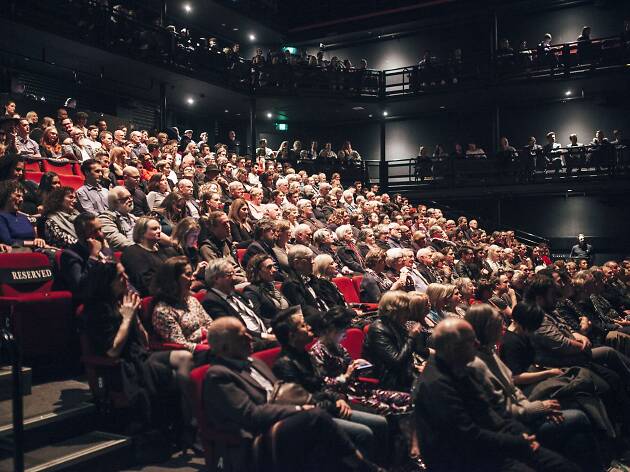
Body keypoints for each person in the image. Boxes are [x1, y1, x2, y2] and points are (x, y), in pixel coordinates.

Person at [202, 317, 383, 471]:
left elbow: (283, 390)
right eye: (242, 336)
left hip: (286, 417)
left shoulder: (254, 362)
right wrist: (298, 408)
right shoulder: (218, 374)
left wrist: (313, 403)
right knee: (317, 416)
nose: (250, 338)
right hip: (259, 433)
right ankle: (364, 466)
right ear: (225, 348)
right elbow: (251, 414)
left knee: (323, 422)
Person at [413, 318, 578, 472]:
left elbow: (492, 410)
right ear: (452, 348)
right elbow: (466, 436)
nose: (477, 344)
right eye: (471, 340)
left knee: (564, 465)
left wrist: (522, 434)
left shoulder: (460, 366)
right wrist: (518, 442)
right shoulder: (435, 385)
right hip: (463, 460)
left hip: (491, 444)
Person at [465, 304, 602, 470]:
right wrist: (539, 408)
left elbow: (513, 389)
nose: (503, 327)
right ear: (485, 329)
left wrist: (536, 407)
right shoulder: (476, 364)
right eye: (497, 324)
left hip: (525, 410)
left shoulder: (490, 352)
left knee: (576, 432)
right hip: (514, 428)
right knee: (578, 416)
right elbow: (501, 409)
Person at [83, 262, 193, 435]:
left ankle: (190, 422)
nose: (126, 278)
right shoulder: (96, 310)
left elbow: (145, 342)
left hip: (141, 355)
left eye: (125, 273)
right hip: (120, 365)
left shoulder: (124, 302)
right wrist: (127, 319)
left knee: (185, 358)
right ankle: (184, 428)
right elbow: (113, 351)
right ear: (107, 283)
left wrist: (135, 317)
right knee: (173, 377)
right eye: (120, 276)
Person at [272, 306, 389, 463]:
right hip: (316, 416)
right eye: (302, 325)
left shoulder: (304, 354)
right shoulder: (285, 364)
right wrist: (335, 403)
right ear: (291, 336)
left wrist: (337, 398)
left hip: (331, 403)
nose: (309, 327)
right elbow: (306, 400)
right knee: (364, 432)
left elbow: (322, 383)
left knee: (381, 421)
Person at [310, 306, 412, 415]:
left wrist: (359, 365)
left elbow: (350, 365)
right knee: (393, 409)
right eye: (343, 330)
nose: (345, 334)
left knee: (407, 399)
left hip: (358, 389)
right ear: (331, 330)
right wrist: (345, 376)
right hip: (344, 396)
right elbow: (322, 385)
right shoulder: (317, 352)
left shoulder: (338, 347)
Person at [201, 258, 277, 350]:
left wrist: (271, 327)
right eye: (229, 274)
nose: (234, 278)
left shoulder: (235, 293)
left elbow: (257, 316)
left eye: (234, 273)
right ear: (216, 279)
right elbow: (234, 331)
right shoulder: (211, 302)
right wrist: (264, 336)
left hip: (264, 334)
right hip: (248, 342)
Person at [150, 256, 212, 357]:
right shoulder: (163, 311)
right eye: (188, 275)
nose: (192, 278)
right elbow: (180, 345)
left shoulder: (191, 300)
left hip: (210, 344)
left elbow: (210, 324)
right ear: (173, 279)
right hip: (195, 355)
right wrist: (210, 348)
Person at [362, 291, 425, 390]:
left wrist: (416, 367)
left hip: (404, 376)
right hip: (389, 383)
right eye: (405, 310)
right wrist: (411, 337)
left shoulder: (397, 325)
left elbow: (409, 354)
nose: (409, 314)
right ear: (394, 310)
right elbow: (396, 361)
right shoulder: (378, 329)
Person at [121, 216, 177, 297]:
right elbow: (146, 284)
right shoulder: (133, 252)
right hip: (156, 296)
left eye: (159, 228)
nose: (159, 231)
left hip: (173, 290)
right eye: (154, 229)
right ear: (142, 232)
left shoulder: (163, 249)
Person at [242, 254, 290, 323]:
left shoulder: (272, 286)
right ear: (257, 272)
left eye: (273, 266)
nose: (274, 270)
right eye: (269, 267)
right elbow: (257, 318)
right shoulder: (251, 291)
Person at [0, 180, 47, 249]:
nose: (21, 199)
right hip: (17, 252)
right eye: (18, 196)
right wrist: (32, 243)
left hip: (35, 250)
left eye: (22, 197)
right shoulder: (2, 217)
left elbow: (34, 238)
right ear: (6, 196)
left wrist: (39, 240)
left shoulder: (24, 217)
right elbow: (7, 241)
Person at [98, 186, 137, 250]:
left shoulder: (130, 216)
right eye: (126, 198)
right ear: (115, 202)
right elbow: (116, 239)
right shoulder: (105, 219)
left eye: (130, 196)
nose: (131, 200)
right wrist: (141, 249)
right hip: (130, 252)